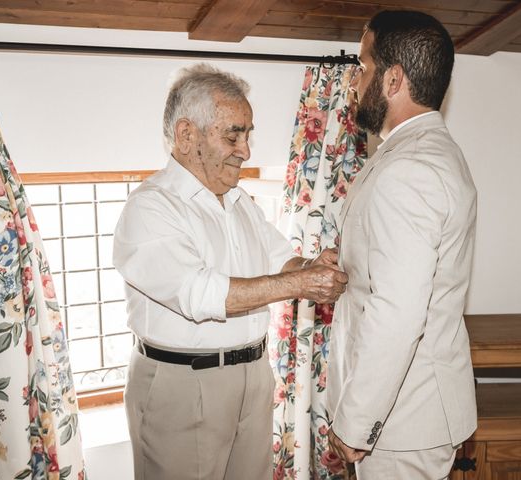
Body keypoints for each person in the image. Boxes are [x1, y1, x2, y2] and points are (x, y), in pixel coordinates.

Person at [113, 63, 348, 480]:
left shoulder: (240, 202)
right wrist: (300, 282)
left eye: (247, 134)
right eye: (233, 134)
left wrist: (314, 268)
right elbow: (198, 293)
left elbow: (282, 261)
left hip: (254, 377)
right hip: (183, 384)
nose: (246, 150)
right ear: (187, 136)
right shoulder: (150, 207)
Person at [326, 10, 477, 480]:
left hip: (401, 423)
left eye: (363, 66)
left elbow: (399, 311)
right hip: (410, 413)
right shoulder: (422, 152)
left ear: (393, 79)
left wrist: (355, 422)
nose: (354, 80)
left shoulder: (408, 169)